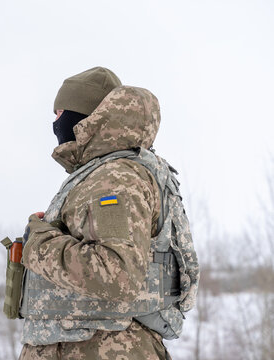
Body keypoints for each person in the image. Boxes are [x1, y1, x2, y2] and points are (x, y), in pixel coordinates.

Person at [17, 67, 199, 359]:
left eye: (60, 112)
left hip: (102, 347)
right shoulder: (105, 174)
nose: (55, 123)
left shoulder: (115, 178)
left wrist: (39, 244)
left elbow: (116, 274)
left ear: (85, 118)